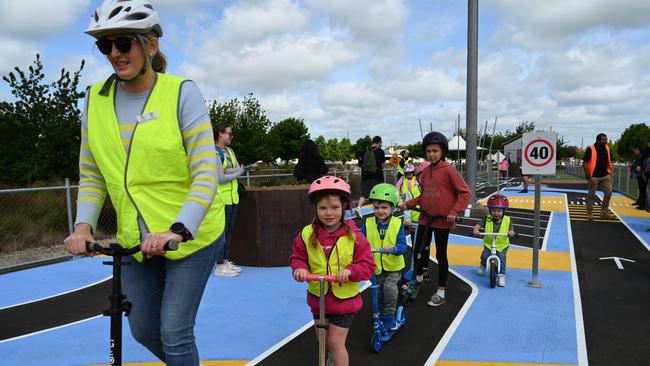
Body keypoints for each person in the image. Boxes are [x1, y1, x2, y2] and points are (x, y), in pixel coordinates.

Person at [63, 1, 224, 364]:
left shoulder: (182, 92)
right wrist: (83, 226)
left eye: (124, 43)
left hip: (188, 236)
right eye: (106, 46)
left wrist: (178, 229)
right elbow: (91, 175)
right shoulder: (94, 101)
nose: (115, 54)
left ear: (150, 45)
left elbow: (204, 171)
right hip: (135, 239)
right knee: (142, 329)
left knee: (174, 331)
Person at [290, 176, 375, 366]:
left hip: (344, 302)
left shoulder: (354, 236)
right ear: (316, 209)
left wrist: (351, 271)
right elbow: (297, 256)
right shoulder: (307, 233)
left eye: (335, 207)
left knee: (336, 344)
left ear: (344, 206)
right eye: (323, 208)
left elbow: (368, 266)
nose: (329, 213)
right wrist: (300, 268)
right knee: (323, 344)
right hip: (318, 300)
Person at [399, 132, 471, 307]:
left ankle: (441, 291)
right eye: (429, 151)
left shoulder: (449, 171)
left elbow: (465, 193)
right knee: (418, 250)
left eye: (435, 151)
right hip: (425, 218)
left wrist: (454, 211)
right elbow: (424, 196)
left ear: (442, 152)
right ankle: (417, 279)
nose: (431, 154)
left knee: (440, 254)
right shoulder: (424, 172)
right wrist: (408, 204)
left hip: (442, 220)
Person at [361, 183, 407, 330]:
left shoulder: (396, 223)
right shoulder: (368, 223)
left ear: (392, 208)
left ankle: (389, 316)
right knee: (377, 291)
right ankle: (379, 314)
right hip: (376, 267)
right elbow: (360, 241)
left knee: (390, 290)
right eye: (376, 208)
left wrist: (393, 249)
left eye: (384, 208)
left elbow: (403, 247)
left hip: (393, 267)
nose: (380, 211)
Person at [213, 123, 247, 277]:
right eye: (229, 134)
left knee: (229, 230)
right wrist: (238, 173)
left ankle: (225, 260)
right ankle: (219, 264)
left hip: (233, 197)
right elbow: (220, 177)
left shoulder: (229, 151)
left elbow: (227, 169)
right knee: (222, 232)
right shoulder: (214, 153)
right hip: (222, 198)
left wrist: (237, 170)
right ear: (220, 134)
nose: (231, 137)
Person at [473, 194, 516, 287]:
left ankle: (501, 275)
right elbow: (478, 225)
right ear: (490, 210)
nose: (496, 213)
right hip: (489, 243)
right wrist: (476, 230)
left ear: (504, 211)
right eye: (493, 210)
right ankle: (483, 265)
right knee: (485, 255)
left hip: (502, 244)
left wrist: (511, 232)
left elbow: (511, 230)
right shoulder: (487, 218)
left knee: (501, 258)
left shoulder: (508, 220)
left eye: (499, 211)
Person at [582, 133, 614, 220]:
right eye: (603, 140)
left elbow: (610, 160)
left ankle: (604, 212)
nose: (605, 141)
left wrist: (609, 171)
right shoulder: (590, 149)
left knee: (608, 193)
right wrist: (589, 175)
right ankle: (589, 213)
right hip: (594, 176)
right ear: (598, 140)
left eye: (606, 139)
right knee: (591, 195)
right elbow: (584, 163)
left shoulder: (607, 148)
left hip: (605, 175)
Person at [357, 136, 386, 217]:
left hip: (365, 177)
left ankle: (358, 208)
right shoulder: (380, 151)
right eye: (381, 143)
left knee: (364, 194)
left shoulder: (364, 151)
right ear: (379, 142)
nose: (381, 144)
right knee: (378, 194)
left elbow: (360, 164)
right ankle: (378, 211)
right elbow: (382, 163)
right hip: (377, 177)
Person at [395, 163, 420, 233]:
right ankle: (406, 221)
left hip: (413, 196)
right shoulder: (402, 178)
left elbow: (417, 186)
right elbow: (397, 186)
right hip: (404, 196)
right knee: (405, 209)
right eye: (407, 173)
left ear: (413, 173)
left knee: (413, 210)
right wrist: (398, 192)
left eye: (410, 173)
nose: (409, 174)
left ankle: (412, 222)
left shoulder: (415, 179)